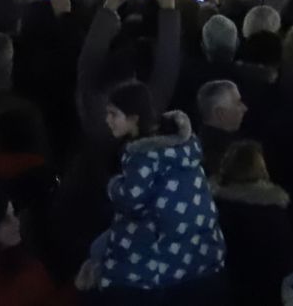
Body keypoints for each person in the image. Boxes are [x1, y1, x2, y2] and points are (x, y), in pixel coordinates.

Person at [84, 83, 227, 300]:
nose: (108, 120)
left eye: (113, 114)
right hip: (202, 253)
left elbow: (129, 200)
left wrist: (112, 185)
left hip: (164, 260)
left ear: (133, 118)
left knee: (98, 256)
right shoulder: (182, 147)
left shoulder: (142, 156)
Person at [209, 139, 293, 306]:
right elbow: (281, 256)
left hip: (221, 287)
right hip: (262, 290)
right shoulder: (271, 211)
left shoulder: (212, 203)